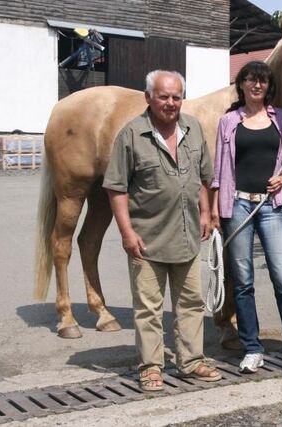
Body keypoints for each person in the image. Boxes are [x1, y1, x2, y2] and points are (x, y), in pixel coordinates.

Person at [103, 70, 222, 392]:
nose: (171, 103)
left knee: (191, 304)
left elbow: (203, 176)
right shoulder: (131, 134)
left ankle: (191, 360)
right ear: (148, 98)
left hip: (187, 236)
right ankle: (151, 367)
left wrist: (206, 212)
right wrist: (127, 232)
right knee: (148, 309)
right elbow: (116, 188)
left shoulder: (193, 128)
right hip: (147, 238)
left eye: (176, 97)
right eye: (164, 96)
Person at [210, 61, 282, 379]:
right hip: (236, 205)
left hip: (271, 206)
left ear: (268, 86)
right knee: (243, 281)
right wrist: (213, 210)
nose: (256, 85)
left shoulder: (281, 118)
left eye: (262, 81)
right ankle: (252, 348)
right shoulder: (228, 121)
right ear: (241, 85)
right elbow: (218, 170)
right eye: (250, 80)